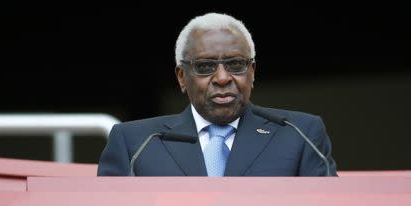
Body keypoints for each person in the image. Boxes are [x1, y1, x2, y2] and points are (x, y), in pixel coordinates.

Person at [97, 12, 337, 176]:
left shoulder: (299, 135)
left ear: (252, 72)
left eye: (235, 64)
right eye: (204, 67)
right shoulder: (136, 143)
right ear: (182, 77)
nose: (222, 78)